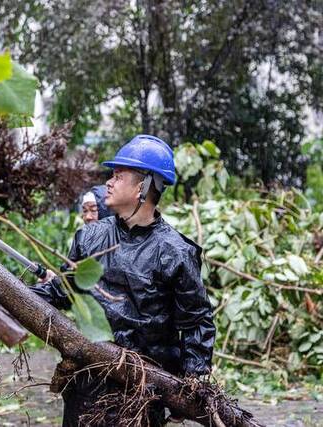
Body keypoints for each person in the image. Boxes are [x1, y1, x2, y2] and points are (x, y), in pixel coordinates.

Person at [32, 135, 216, 426]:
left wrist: (190, 384)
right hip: (86, 381)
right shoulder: (89, 237)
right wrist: (7, 294)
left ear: (143, 185)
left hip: (143, 388)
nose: (109, 182)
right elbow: (63, 290)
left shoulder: (176, 252)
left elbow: (196, 321)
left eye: (118, 176)